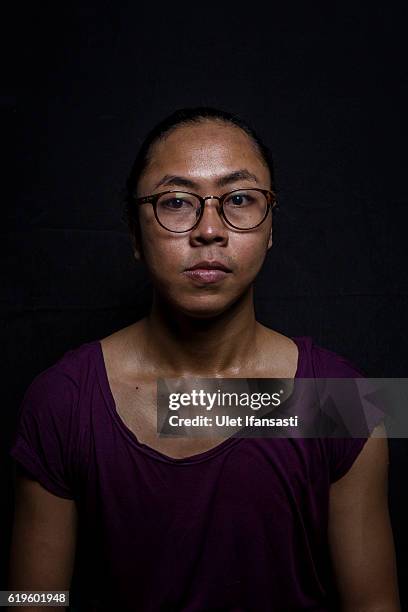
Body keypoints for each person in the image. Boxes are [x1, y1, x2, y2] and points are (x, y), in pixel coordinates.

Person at [8, 107, 401, 611]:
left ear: (271, 226)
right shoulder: (60, 399)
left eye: (239, 199)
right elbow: (28, 598)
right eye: (175, 202)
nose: (209, 230)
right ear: (134, 232)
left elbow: (375, 603)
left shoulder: (344, 401)